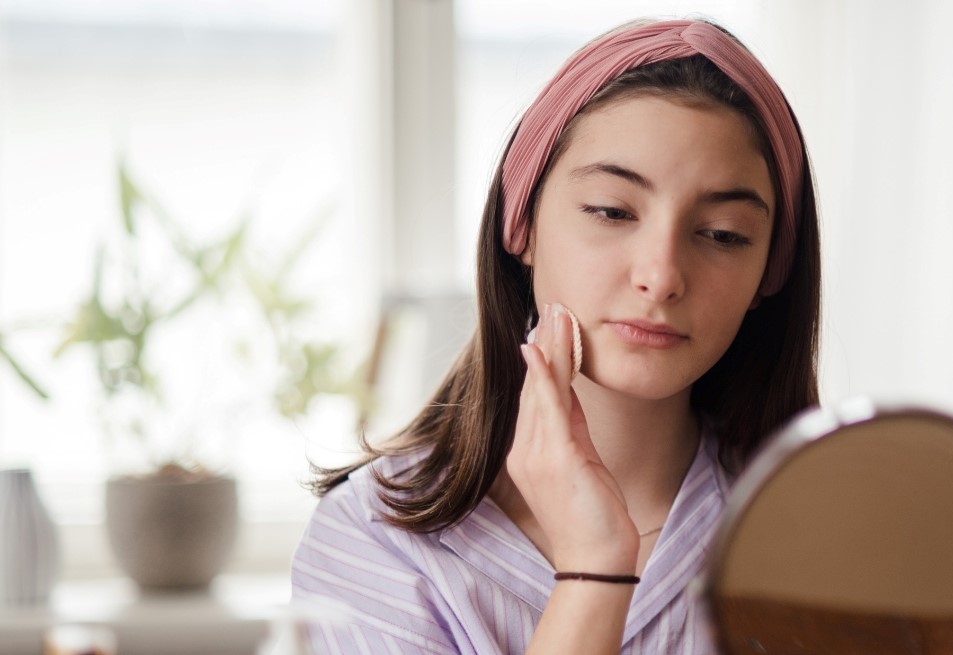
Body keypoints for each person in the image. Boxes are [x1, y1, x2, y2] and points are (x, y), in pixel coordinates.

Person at [290, 17, 821, 654]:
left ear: (770, 272)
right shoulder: (371, 540)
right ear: (524, 228)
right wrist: (593, 568)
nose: (661, 276)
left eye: (723, 234)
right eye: (612, 211)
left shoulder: (830, 537)